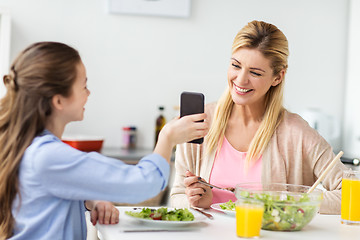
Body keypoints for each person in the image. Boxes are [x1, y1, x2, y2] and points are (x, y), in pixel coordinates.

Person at [0, 42, 208, 240]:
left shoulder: (32, 148)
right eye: (84, 86)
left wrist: (91, 198)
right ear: (59, 101)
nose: (89, 93)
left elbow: (47, 198)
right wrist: (167, 137)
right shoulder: (48, 157)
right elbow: (144, 182)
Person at [170, 20, 347, 214]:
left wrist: (288, 202)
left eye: (255, 72)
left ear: (277, 77)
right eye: (236, 65)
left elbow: (351, 196)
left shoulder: (296, 133)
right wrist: (195, 201)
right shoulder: (199, 122)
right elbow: (177, 195)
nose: (241, 80)